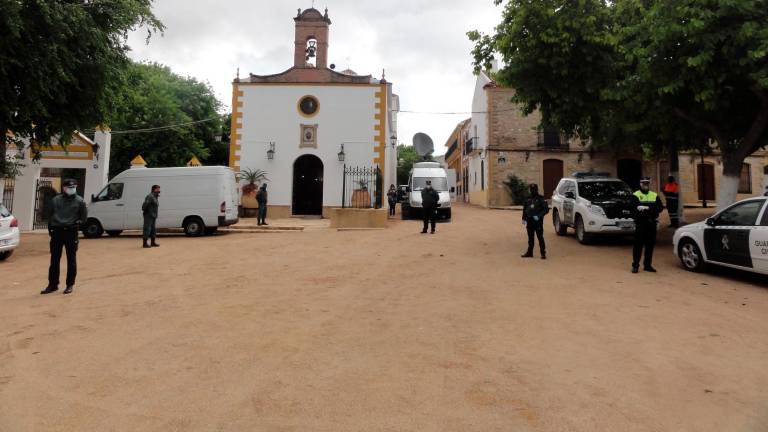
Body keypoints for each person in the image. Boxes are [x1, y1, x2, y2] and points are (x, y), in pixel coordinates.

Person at [41, 179, 87, 295]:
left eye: (73, 187)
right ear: (64, 188)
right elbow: (50, 215)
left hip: (71, 232)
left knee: (71, 259)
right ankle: (53, 284)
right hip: (57, 232)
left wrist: (77, 224)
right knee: (54, 259)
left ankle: (69, 284)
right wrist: (51, 228)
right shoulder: (56, 200)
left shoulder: (80, 201)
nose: (72, 189)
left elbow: (84, 218)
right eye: (69, 187)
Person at [631, 177, 664, 273]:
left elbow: (660, 208)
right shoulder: (636, 195)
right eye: (643, 183)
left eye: (647, 183)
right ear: (640, 184)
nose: (645, 185)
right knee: (638, 245)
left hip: (652, 223)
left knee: (650, 245)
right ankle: (635, 265)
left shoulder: (654, 195)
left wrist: (645, 208)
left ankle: (647, 265)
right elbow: (634, 208)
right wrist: (651, 208)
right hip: (641, 223)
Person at [521, 184, 549, 259]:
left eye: (534, 190)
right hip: (529, 221)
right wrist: (523, 218)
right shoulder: (527, 198)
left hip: (538, 222)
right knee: (530, 238)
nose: (533, 191)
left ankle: (543, 253)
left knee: (540, 237)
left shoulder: (541, 198)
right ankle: (530, 252)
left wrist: (539, 216)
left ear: (537, 190)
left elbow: (546, 209)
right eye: (531, 190)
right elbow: (524, 209)